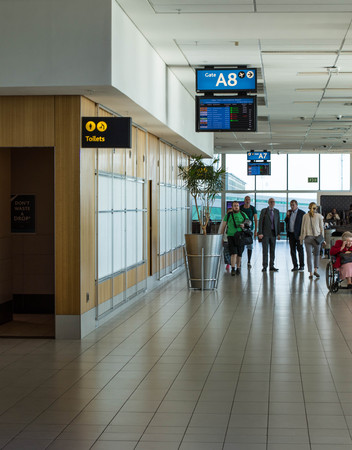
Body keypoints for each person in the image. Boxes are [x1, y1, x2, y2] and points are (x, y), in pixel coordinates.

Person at [219, 201, 248, 276]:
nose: (236, 207)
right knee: (233, 253)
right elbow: (223, 226)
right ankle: (233, 268)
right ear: (232, 207)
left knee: (239, 253)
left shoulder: (243, 214)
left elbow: (248, 222)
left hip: (241, 236)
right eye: (235, 205)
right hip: (231, 236)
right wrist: (221, 236)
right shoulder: (228, 215)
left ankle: (238, 268)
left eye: (237, 205)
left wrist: (244, 225)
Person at [300, 202, 325, 279]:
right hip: (316, 239)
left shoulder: (305, 216)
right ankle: (315, 270)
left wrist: (301, 239)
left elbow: (302, 228)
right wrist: (323, 239)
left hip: (307, 238)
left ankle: (310, 273)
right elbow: (322, 229)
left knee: (309, 256)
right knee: (316, 255)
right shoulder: (320, 216)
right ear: (316, 208)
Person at [258, 198, 281, 272]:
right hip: (265, 234)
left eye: (273, 202)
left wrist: (278, 233)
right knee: (265, 251)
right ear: (268, 202)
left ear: (274, 203)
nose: (272, 203)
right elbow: (260, 222)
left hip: (273, 234)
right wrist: (260, 232)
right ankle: (265, 266)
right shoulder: (264, 211)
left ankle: (272, 266)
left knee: (272, 250)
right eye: (271, 202)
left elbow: (278, 223)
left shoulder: (277, 211)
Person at [284, 200, 305, 272]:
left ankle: (301, 265)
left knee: (300, 250)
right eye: (291, 205)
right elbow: (286, 221)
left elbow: (303, 225)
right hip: (291, 234)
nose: (292, 206)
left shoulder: (302, 213)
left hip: (299, 235)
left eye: (293, 205)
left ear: (296, 205)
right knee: (292, 251)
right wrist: (287, 215)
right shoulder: (289, 212)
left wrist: (302, 235)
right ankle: (295, 266)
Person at [240, 196, 258, 269]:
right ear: (244, 200)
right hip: (241, 229)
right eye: (246, 199)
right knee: (241, 245)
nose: (247, 201)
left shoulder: (252, 208)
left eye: (249, 200)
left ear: (250, 201)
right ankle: (239, 261)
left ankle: (249, 261)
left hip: (250, 229)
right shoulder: (241, 208)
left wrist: (256, 231)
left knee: (250, 245)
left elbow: (256, 220)